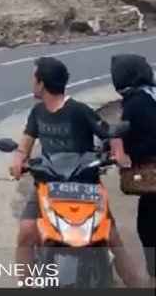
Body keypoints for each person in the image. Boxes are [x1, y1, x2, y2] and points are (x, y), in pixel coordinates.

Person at [8, 57, 139, 287]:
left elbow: (110, 131)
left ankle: (137, 285)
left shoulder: (78, 110)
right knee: (27, 232)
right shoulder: (38, 112)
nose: (32, 83)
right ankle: (26, 284)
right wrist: (19, 159)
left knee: (111, 238)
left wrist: (118, 154)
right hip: (47, 184)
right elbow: (26, 142)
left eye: (34, 78)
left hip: (85, 186)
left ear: (42, 83)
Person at [111, 54, 156, 289]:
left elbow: (127, 138)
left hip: (152, 175)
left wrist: (126, 154)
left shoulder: (134, 103)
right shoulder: (151, 94)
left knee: (149, 228)